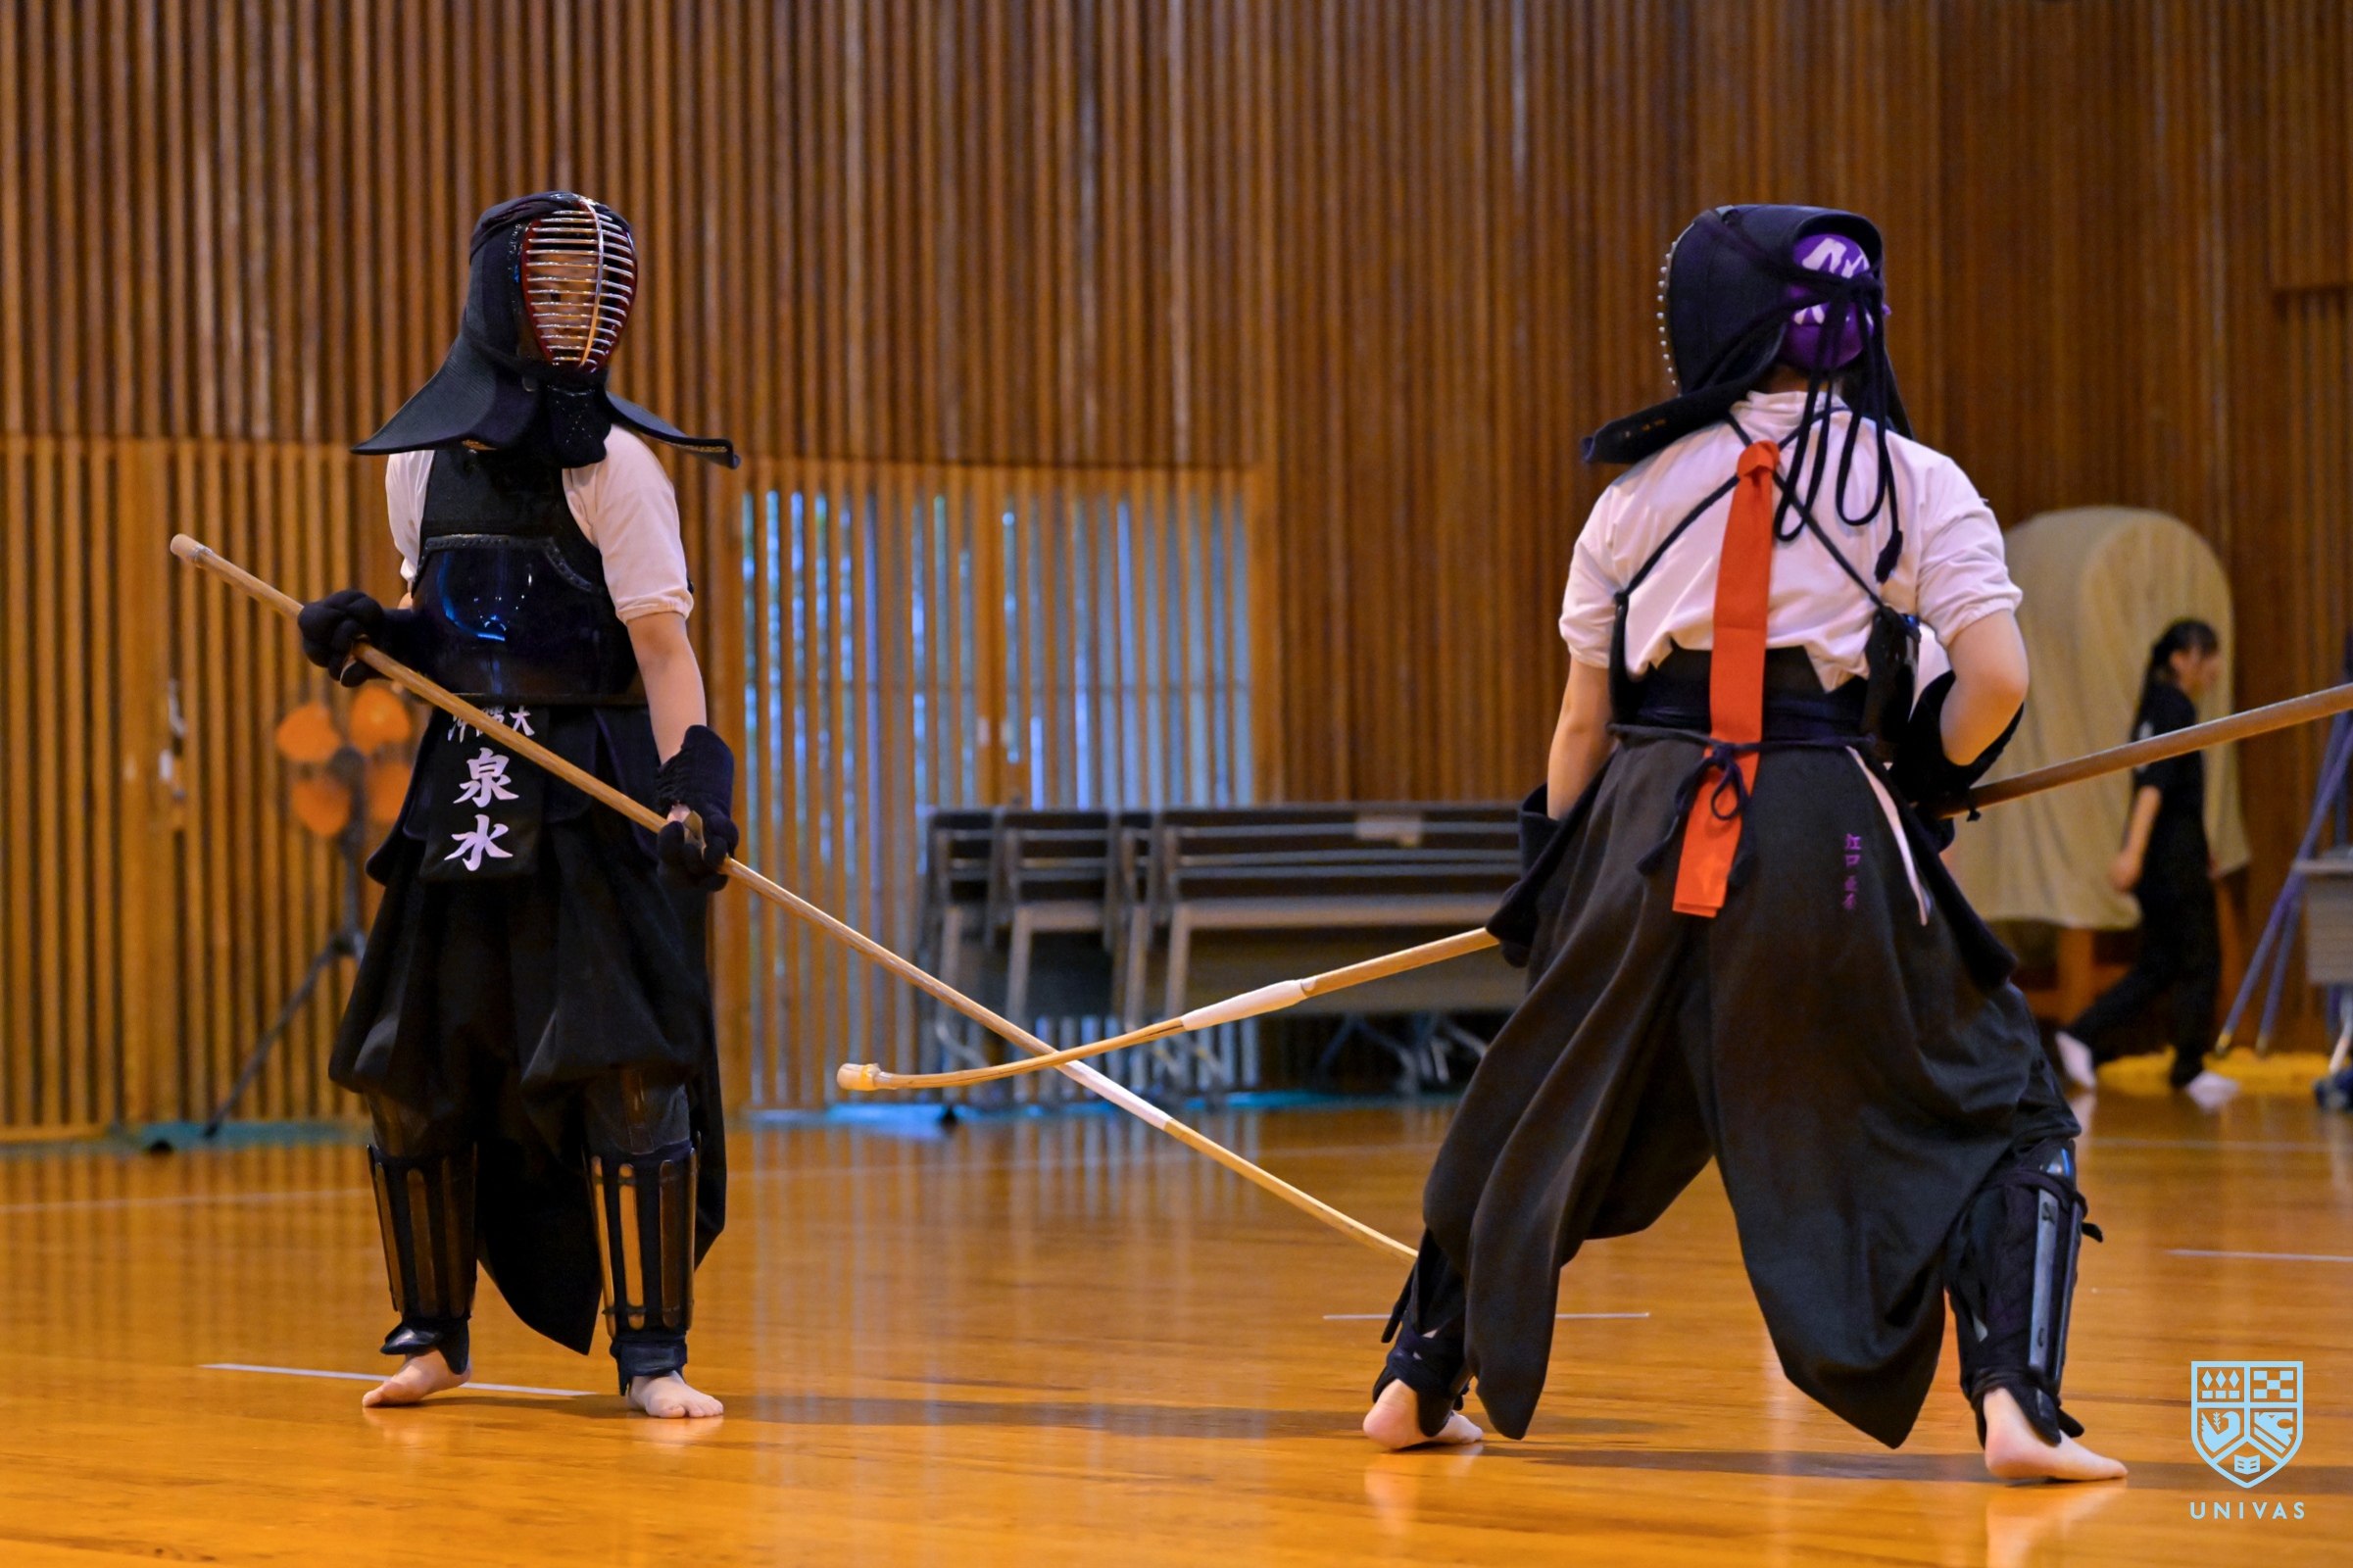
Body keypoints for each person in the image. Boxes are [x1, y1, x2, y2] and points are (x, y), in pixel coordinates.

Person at [1363, 206, 2124, 1484]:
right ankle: (2018, 1408)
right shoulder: (1910, 479)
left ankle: (1414, 1379)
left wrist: (1555, 890)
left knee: (1545, 1096)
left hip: (1637, 823)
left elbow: (1580, 726)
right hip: (1818, 823)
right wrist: (1926, 769)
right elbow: (1994, 679)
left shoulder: (1632, 491)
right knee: (2011, 1102)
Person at [295, 192, 742, 1417]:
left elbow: (661, 649)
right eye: (551, 289)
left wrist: (695, 787)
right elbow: (437, 636)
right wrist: (373, 637)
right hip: (465, 797)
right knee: (412, 1065)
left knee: (627, 1068)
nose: (576, 314)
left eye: (596, 292)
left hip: (592, 793)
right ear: (497, 298)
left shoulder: (619, 469)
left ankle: (652, 1355)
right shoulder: (424, 464)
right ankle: (431, 1334)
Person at [2055, 620, 2234, 1109]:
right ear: (2181, 659)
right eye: (2207, 655)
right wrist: (2131, 852)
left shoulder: (2156, 704)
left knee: (2160, 963)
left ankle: (2080, 1034)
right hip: (2171, 858)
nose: (2215, 666)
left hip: (2167, 854)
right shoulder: (2174, 706)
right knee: (2200, 960)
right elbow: (2153, 786)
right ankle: (2189, 1067)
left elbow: (2165, 788)